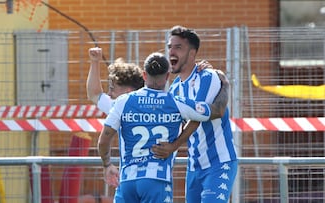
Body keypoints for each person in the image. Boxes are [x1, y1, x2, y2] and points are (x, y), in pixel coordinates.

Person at [97, 52, 229, 202]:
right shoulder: (176, 103)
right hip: (157, 180)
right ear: (167, 76)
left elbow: (103, 140)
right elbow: (216, 111)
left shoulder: (123, 101)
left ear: (144, 75)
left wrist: (107, 164)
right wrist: (224, 84)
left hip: (127, 181)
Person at [153, 25, 238, 203]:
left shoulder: (207, 76)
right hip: (194, 167)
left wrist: (173, 146)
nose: (171, 52)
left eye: (178, 47)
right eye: (170, 47)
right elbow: (175, 124)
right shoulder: (175, 88)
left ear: (192, 54)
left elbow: (198, 116)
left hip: (219, 163)